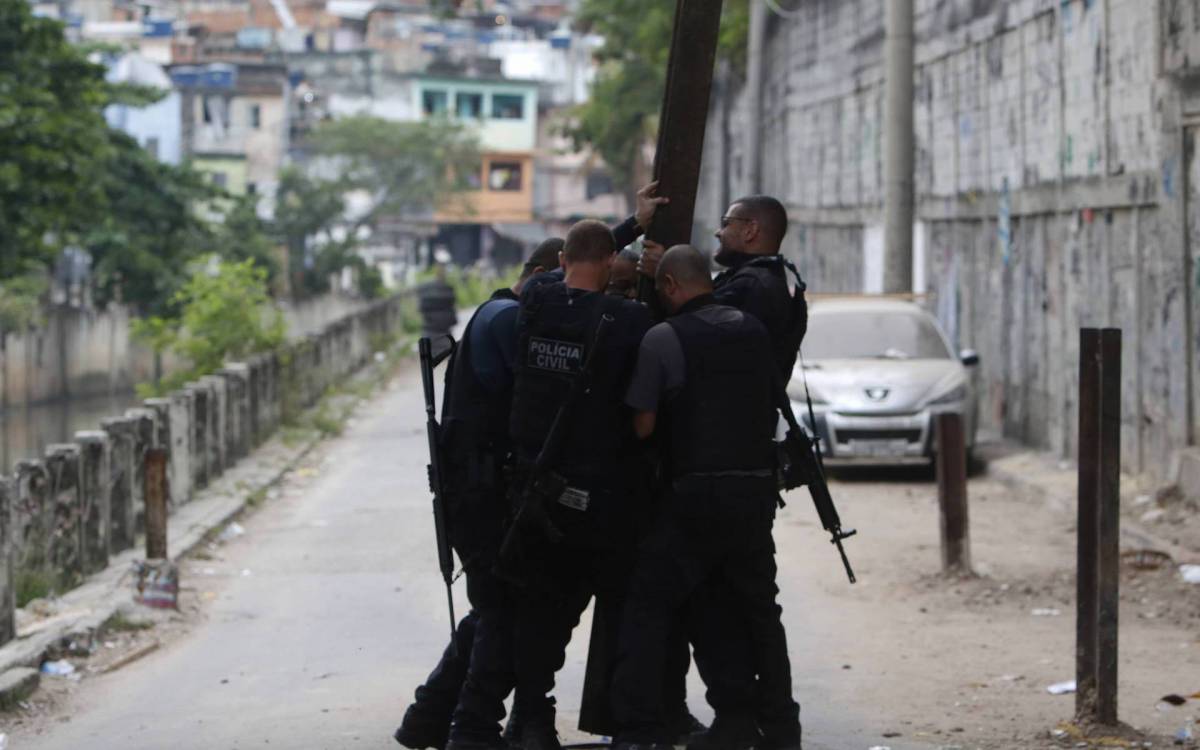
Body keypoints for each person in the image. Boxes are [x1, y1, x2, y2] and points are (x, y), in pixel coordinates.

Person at [611, 245, 796, 750]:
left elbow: (643, 426)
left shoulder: (664, 337)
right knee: (754, 610)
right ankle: (776, 726)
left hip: (693, 496)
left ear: (669, 285)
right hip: (753, 494)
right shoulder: (752, 329)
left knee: (648, 607)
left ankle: (639, 729)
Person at [395, 239, 564, 750]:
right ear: (538, 274)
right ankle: (470, 727)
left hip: (476, 489)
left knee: (494, 607)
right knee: (502, 609)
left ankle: (427, 717)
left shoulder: (499, 309)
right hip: (481, 491)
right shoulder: (509, 320)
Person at [505, 220, 655, 750]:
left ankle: (530, 720)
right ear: (614, 260)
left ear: (563, 258)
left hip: (535, 486)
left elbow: (569, 260)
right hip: (604, 489)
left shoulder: (538, 300)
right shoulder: (630, 318)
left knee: (542, 611)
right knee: (626, 606)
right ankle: (631, 726)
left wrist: (619, 232)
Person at [640, 194, 806, 380]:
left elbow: (694, 330)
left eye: (726, 224)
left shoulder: (754, 287)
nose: (718, 233)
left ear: (750, 230)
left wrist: (666, 272)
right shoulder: (756, 280)